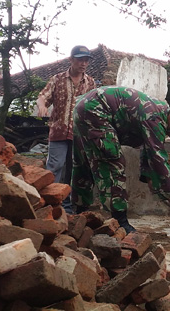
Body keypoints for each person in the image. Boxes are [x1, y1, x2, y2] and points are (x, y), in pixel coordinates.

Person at [71, 86, 170, 233]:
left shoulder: (160, 113)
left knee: (85, 162)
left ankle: (78, 216)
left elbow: (148, 147)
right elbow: (159, 160)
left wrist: (149, 177)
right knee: (112, 162)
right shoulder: (154, 118)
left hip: (84, 106)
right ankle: (120, 222)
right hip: (96, 110)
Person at [37, 45, 96, 214]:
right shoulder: (58, 79)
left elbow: (94, 107)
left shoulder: (90, 83)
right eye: (80, 59)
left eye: (86, 60)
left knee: (74, 170)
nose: (83, 63)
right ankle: (49, 203)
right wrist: (42, 107)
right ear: (71, 60)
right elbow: (43, 97)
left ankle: (68, 207)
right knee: (55, 166)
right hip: (58, 131)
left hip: (80, 135)